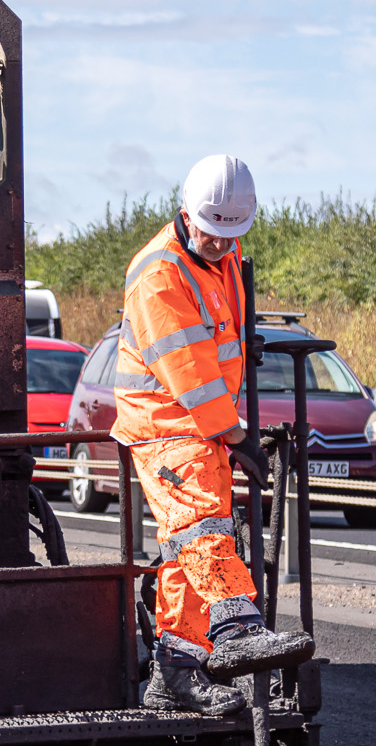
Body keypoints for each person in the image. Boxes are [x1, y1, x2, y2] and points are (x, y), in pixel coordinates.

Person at [112, 154, 314, 716]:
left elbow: (225, 347)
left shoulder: (223, 250)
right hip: (164, 422)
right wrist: (238, 433)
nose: (223, 246)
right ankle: (237, 625)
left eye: (232, 236)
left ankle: (175, 672)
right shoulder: (159, 274)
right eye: (213, 234)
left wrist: (233, 432)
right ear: (185, 215)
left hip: (206, 424)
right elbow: (192, 377)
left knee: (185, 550)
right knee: (202, 522)